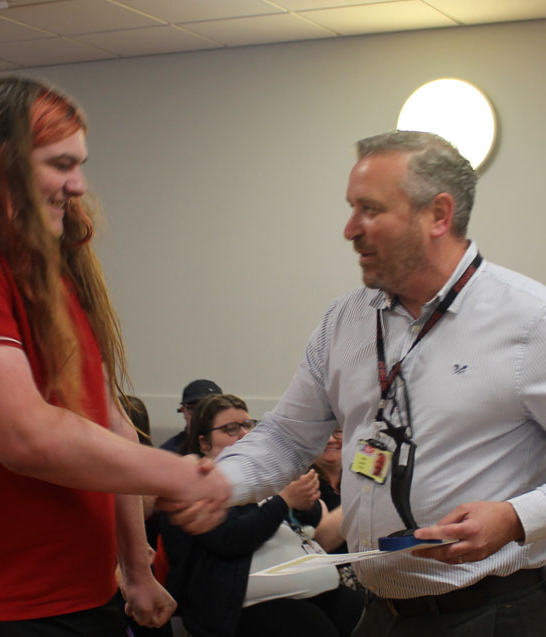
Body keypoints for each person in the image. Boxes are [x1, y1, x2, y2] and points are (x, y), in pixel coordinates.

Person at [165, 130, 546, 636]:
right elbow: (285, 436)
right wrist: (221, 483)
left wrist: (517, 518)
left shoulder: (529, 321)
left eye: (370, 209)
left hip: (493, 611)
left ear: (438, 214)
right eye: (351, 208)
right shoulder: (346, 320)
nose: (349, 229)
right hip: (381, 612)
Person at [0, 75, 229, 635]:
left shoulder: (51, 275)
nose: (78, 184)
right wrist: (178, 473)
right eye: (59, 163)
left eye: (80, 164)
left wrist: (135, 567)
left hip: (83, 597)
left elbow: (111, 427)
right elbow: (26, 435)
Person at [160, 394, 363, 637]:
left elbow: (311, 521)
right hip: (237, 605)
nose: (245, 434)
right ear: (204, 443)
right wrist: (285, 500)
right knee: (310, 626)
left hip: (310, 589)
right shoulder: (194, 483)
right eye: (231, 429)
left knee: (362, 615)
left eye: (248, 425)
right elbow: (231, 539)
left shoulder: (258, 473)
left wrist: (304, 501)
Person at [159, 378, 222, 452]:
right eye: (195, 409)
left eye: (210, 409)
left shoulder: (233, 445)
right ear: (183, 410)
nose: (203, 415)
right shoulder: (170, 452)